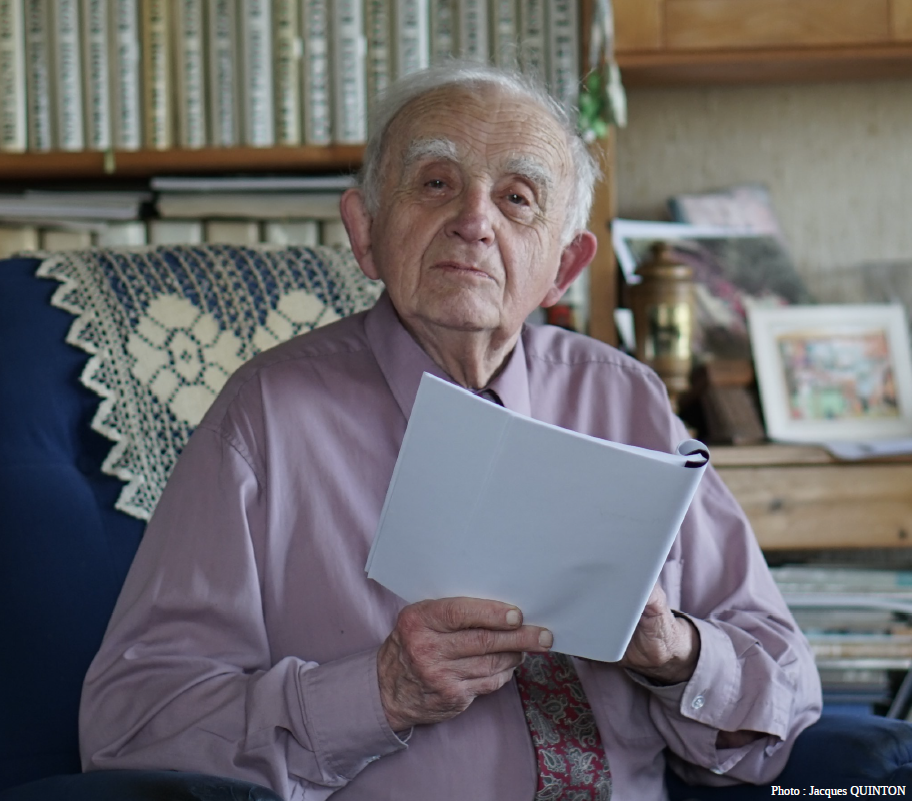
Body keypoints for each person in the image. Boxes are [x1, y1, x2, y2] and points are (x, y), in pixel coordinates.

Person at [79, 63, 822, 801]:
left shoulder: (624, 398)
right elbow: (131, 728)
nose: (474, 219)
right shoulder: (266, 417)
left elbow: (786, 697)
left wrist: (675, 652)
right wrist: (379, 692)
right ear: (365, 233)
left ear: (563, 267)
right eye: (436, 182)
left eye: (517, 197)